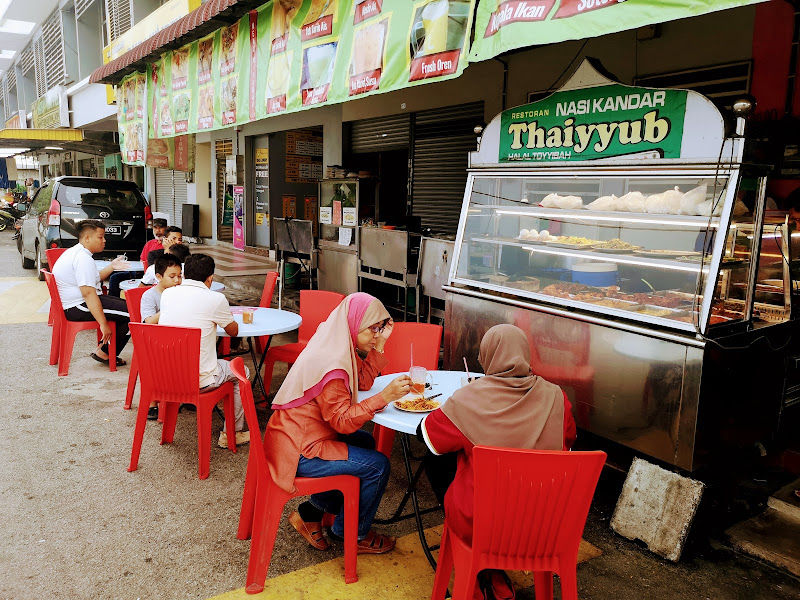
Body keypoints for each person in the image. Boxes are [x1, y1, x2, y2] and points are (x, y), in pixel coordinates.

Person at [418, 324, 577, 600]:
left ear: (487, 356)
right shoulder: (557, 397)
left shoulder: (469, 398)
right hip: (545, 527)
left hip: (481, 526)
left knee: (439, 460)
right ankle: (494, 573)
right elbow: (570, 441)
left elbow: (428, 435)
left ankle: (479, 571)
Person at [263, 292, 412, 554]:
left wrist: (378, 345)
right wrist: (385, 397)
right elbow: (342, 422)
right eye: (372, 330)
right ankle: (352, 534)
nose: (377, 335)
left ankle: (312, 511)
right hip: (299, 450)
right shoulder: (333, 367)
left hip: (294, 433)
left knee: (365, 441)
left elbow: (362, 383)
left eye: (380, 329)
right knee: (378, 466)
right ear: (354, 323)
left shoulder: (335, 342)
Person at [158, 254, 250, 449]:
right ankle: (231, 433)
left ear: (184, 274)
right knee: (243, 372)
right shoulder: (215, 298)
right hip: (198, 381)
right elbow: (233, 331)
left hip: (167, 376)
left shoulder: (167, 294)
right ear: (210, 278)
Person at [51, 219, 132, 366]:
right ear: (87, 238)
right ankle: (105, 353)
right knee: (134, 314)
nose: (104, 241)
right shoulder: (82, 258)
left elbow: (93, 280)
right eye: (100, 237)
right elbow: (88, 293)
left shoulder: (77, 252)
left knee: (130, 306)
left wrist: (112, 266)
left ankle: (107, 350)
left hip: (75, 304)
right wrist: (103, 324)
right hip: (79, 306)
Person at [140, 254, 183, 324]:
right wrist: (169, 307)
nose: (177, 280)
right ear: (159, 277)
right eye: (172, 277)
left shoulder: (181, 291)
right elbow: (148, 322)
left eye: (179, 276)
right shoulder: (149, 295)